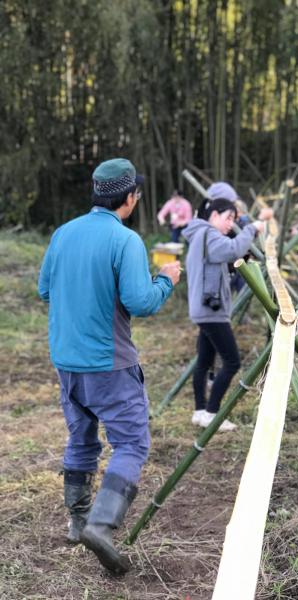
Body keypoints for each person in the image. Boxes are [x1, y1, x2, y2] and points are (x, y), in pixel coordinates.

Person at [38, 158, 181, 574]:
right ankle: (100, 526)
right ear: (131, 197)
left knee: (82, 438)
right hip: (109, 363)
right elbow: (142, 302)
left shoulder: (63, 233)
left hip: (66, 361)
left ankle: (77, 521)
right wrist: (167, 278)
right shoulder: (125, 241)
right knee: (132, 444)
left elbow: (44, 288)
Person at [182, 198, 267, 432]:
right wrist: (252, 228)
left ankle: (200, 412)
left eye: (234, 219)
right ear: (214, 216)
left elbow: (222, 262)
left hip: (205, 309)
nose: (231, 223)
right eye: (228, 217)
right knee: (232, 361)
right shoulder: (209, 234)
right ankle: (212, 412)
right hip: (212, 311)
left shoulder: (201, 235)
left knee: (204, 361)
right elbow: (232, 249)